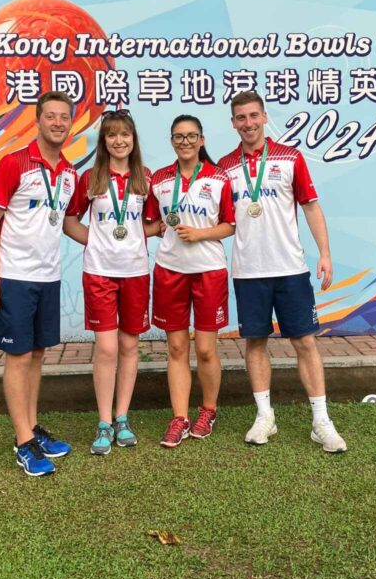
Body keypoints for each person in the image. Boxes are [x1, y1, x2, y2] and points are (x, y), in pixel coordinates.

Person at [217, 91, 347, 453]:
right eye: (240, 117)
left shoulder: (291, 158)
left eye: (253, 116)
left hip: (290, 268)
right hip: (248, 271)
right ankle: (265, 416)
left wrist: (325, 254)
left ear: (264, 117)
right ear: (233, 123)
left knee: (304, 341)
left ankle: (321, 421)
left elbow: (310, 206)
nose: (248, 123)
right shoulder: (224, 167)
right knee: (255, 342)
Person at [0, 91, 76, 477]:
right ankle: (22, 442)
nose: (57, 122)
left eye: (64, 116)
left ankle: (32, 428)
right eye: (50, 116)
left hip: (48, 277)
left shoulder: (69, 173)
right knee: (18, 357)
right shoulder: (14, 164)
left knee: (37, 354)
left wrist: (121, 241)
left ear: (71, 123)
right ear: (38, 121)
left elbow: (65, 224)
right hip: (15, 278)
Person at [64, 109, 152, 456]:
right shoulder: (91, 178)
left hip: (135, 272)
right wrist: (98, 242)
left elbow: (152, 223)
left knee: (129, 346)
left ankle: (122, 418)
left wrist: (133, 238)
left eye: (125, 134)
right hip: (99, 273)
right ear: (103, 140)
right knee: (107, 348)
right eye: (112, 134)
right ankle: (103, 422)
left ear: (133, 139)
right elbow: (69, 221)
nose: (119, 140)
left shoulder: (144, 178)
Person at [144, 115, 235, 448]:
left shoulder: (219, 178)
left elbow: (230, 225)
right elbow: (153, 223)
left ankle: (208, 410)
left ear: (202, 140)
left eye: (191, 136)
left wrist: (200, 234)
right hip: (170, 270)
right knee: (177, 348)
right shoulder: (159, 179)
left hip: (209, 270)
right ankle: (179, 418)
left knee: (206, 349)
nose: (185, 142)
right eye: (179, 137)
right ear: (171, 141)